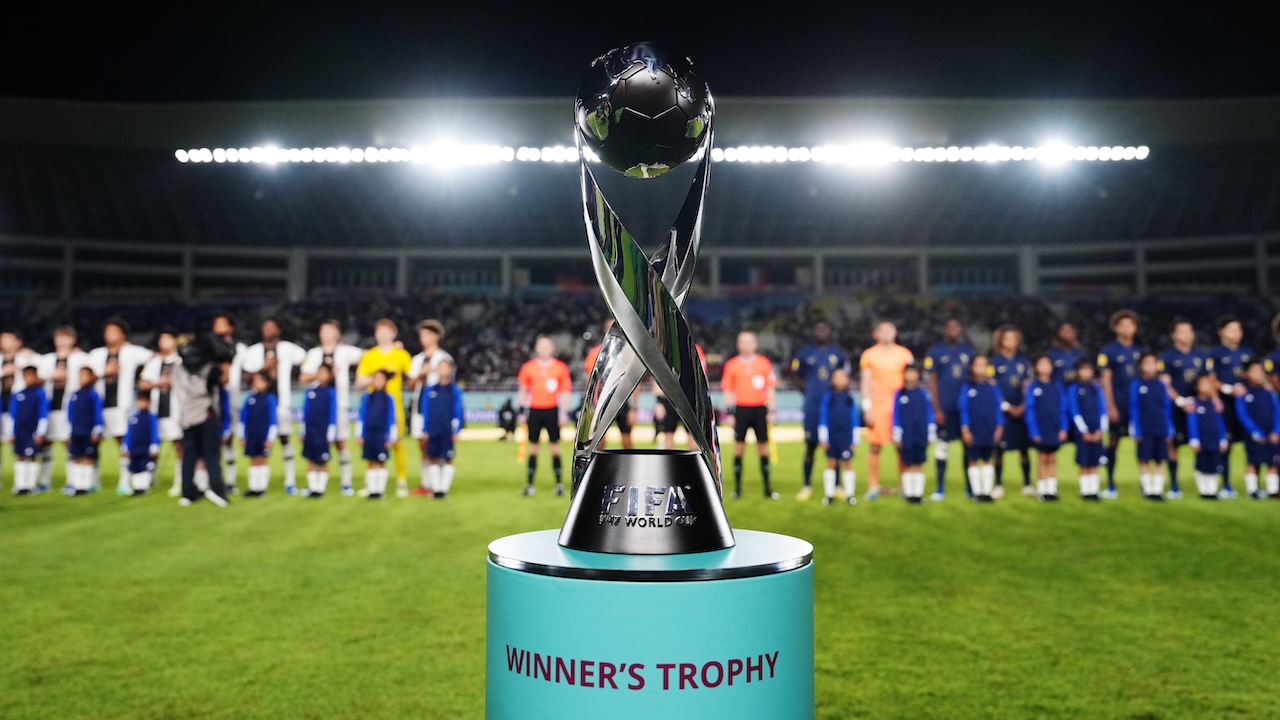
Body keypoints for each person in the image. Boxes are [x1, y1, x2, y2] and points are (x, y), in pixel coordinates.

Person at [241, 317, 307, 496]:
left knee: (285, 439)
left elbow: (304, 358)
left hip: (281, 402)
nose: (268, 330)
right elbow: (247, 375)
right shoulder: (254, 351)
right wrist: (264, 368)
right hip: (260, 403)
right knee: (260, 443)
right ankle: (259, 484)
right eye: (265, 326)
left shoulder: (287, 348)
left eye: (272, 327)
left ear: (278, 330)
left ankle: (290, 481)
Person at [87, 317, 153, 495]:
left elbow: (154, 357)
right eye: (108, 332)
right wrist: (104, 372)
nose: (110, 335)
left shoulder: (132, 351)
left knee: (124, 443)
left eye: (115, 331)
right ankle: (92, 480)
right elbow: (86, 376)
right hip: (99, 405)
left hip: (122, 406)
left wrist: (144, 379)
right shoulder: (96, 355)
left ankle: (124, 481)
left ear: (123, 334)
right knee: (93, 443)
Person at [298, 319, 364, 496]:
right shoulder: (313, 354)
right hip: (318, 405)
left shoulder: (345, 351)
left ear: (337, 333)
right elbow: (303, 377)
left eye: (330, 330)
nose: (326, 334)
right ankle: (315, 484)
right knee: (314, 443)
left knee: (340, 442)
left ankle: (346, 483)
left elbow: (367, 356)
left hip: (339, 405)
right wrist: (323, 375)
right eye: (323, 330)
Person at [172, 327, 234, 507]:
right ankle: (217, 491)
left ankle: (188, 493)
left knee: (189, 457)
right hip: (206, 415)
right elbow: (223, 377)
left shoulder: (178, 367)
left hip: (187, 416)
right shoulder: (210, 369)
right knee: (211, 456)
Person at [791, 319, 849, 501]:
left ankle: (837, 485)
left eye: (825, 329)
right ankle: (807, 485)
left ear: (830, 332)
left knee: (835, 447)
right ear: (813, 332)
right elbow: (795, 375)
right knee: (810, 447)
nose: (821, 333)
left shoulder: (838, 354)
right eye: (818, 329)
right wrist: (807, 392)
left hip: (833, 407)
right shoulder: (804, 354)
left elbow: (844, 376)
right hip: (812, 407)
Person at [355, 318, 413, 497]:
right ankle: (371, 482)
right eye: (379, 331)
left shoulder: (401, 355)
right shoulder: (369, 355)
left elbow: (412, 378)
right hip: (373, 405)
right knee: (371, 441)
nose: (383, 334)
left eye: (386, 331)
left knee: (397, 443)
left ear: (393, 334)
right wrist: (377, 378)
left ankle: (401, 481)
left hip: (394, 405)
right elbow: (359, 382)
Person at [858, 319, 914, 500]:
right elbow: (865, 382)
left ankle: (905, 486)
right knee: (875, 446)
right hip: (878, 405)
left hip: (900, 406)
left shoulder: (905, 354)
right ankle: (873, 486)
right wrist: (867, 408)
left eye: (891, 330)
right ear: (876, 334)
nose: (887, 333)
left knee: (901, 446)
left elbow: (912, 380)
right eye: (883, 330)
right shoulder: (869, 355)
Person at [721, 331, 779, 500]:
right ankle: (737, 489)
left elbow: (770, 388)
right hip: (741, 410)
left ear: (755, 344)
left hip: (760, 409)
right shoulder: (731, 365)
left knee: (763, 448)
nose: (746, 345)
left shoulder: (763, 363)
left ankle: (768, 489)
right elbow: (728, 390)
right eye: (743, 342)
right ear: (738, 345)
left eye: (749, 342)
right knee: (739, 448)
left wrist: (772, 411)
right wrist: (730, 413)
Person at [924, 318, 976, 500]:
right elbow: (932, 381)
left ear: (960, 329)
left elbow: (975, 378)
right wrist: (936, 409)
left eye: (956, 326)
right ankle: (940, 488)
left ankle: (970, 488)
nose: (953, 330)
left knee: (968, 448)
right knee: (942, 447)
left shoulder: (969, 351)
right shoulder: (936, 351)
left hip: (965, 410)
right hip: (945, 408)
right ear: (945, 330)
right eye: (949, 327)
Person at [517, 335, 572, 497]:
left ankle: (559, 484)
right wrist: (521, 411)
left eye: (547, 346)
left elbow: (566, 392)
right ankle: (529, 484)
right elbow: (523, 390)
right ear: (536, 348)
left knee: (554, 447)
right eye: (541, 346)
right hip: (534, 411)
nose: (544, 349)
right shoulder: (528, 367)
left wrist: (564, 413)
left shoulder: (560, 367)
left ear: (552, 348)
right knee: (533, 448)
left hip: (551, 411)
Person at [1097, 309, 1143, 499]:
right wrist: (1110, 405)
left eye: (1130, 325)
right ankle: (1110, 483)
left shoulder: (1141, 351)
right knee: (1114, 442)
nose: (1127, 328)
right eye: (1122, 325)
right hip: (1119, 403)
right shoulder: (1108, 351)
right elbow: (1105, 380)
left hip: (1138, 406)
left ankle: (1146, 483)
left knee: (1142, 443)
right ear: (1115, 328)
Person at [1206, 314, 1253, 499]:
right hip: (1226, 405)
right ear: (1221, 332)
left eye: (1239, 329)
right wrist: (1227, 389)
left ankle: (1253, 484)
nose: (1237, 332)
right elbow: (1210, 379)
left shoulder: (1247, 353)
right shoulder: (1215, 354)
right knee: (1226, 444)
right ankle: (1225, 483)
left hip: (1247, 404)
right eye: (1233, 329)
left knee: (1251, 442)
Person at [38, 326, 90, 494]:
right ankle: (44, 481)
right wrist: (50, 376)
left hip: (71, 409)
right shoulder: (45, 360)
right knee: (45, 445)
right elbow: (33, 376)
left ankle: (72, 481)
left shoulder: (81, 358)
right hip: (49, 408)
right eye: (59, 337)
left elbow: (91, 373)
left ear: (73, 340)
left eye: (65, 337)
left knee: (70, 444)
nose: (62, 341)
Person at [1159, 319, 1206, 500]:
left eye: (1190, 331)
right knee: (1173, 444)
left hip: (1197, 408)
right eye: (1183, 331)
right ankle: (1174, 484)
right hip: (1176, 408)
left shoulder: (1200, 356)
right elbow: (1165, 383)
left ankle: (1204, 483)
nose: (1188, 335)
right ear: (1174, 335)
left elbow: (1206, 381)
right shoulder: (1167, 357)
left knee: (1200, 444)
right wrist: (1179, 401)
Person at [139, 329, 187, 497]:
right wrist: (157, 383)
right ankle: (147, 480)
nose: (163, 342)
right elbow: (143, 384)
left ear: (175, 341)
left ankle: (181, 481)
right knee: (152, 446)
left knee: (179, 446)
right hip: (156, 410)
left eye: (167, 338)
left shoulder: (182, 361)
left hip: (177, 410)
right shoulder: (154, 362)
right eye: (161, 339)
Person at [990, 325, 1032, 497]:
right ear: (1000, 341)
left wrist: (1023, 406)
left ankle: (1027, 483)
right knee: (999, 448)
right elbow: (992, 387)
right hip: (1003, 412)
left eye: (1013, 339)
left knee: (1024, 449)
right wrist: (1006, 406)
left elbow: (1029, 386)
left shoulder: (1023, 362)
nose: (1010, 342)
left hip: (1021, 411)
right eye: (1007, 338)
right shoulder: (994, 362)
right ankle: (998, 484)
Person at [583, 319, 638, 451]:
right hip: (602, 402)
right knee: (598, 441)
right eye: (611, 327)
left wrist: (634, 408)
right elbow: (589, 381)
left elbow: (635, 382)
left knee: (627, 440)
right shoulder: (596, 353)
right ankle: (600, 469)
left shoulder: (630, 352)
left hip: (623, 401)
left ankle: (629, 468)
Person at [1130, 353, 1175, 501]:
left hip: (1160, 427)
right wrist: (1136, 429)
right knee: (1144, 459)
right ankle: (1147, 489)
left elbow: (1167, 408)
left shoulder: (1161, 384)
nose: (1150, 366)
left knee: (1159, 459)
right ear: (1141, 366)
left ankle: (1158, 490)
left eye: (1153, 363)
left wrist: (1169, 428)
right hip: (1144, 428)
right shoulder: (1136, 385)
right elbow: (1134, 407)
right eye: (1147, 363)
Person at [958, 354, 1003, 502]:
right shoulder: (967, 387)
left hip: (989, 429)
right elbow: (963, 409)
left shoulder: (993, 387)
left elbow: (998, 408)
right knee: (973, 459)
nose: (981, 368)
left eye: (984, 364)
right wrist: (965, 429)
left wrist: (999, 426)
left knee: (987, 459)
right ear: (971, 367)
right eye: (978, 364)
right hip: (973, 429)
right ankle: (977, 492)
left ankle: (986, 492)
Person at [1234, 359, 1280, 500]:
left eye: (1260, 371)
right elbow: (1242, 414)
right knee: (1253, 460)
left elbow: (1277, 411)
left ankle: (1272, 490)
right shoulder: (1242, 391)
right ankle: (1252, 490)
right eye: (1254, 371)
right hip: (1253, 434)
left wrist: (1276, 431)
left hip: (1271, 432)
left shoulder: (1269, 391)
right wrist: (1255, 432)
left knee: (1272, 461)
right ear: (1246, 373)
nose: (1258, 374)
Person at [420, 358, 465, 499]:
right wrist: (425, 429)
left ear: (450, 370)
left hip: (447, 429)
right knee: (432, 458)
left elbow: (458, 410)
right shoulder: (430, 390)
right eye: (441, 367)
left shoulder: (455, 390)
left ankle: (444, 490)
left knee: (448, 458)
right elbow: (425, 411)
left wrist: (456, 430)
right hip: (433, 429)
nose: (443, 370)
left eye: (446, 367)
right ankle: (436, 489)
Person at [212, 312, 247, 494]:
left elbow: (249, 370)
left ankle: (230, 481)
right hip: (213, 397)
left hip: (232, 397)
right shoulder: (210, 348)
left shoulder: (240, 349)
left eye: (221, 324)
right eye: (216, 324)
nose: (217, 327)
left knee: (228, 439)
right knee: (213, 441)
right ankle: (214, 479)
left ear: (230, 328)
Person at [1025, 355, 1068, 502]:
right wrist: (1034, 431)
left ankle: (1052, 489)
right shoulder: (1033, 386)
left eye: (1047, 364)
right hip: (1041, 427)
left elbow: (1063, 408)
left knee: (1052, 458)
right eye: (1041, 364)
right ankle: (1042, 490)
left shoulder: (1057, 386)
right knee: (1042, 458)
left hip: (1054, 427)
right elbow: (1030, 409)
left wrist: (1063, 428)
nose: (1044, 367)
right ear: (1036, 368)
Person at [892, 364, 936, 504]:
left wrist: (930, 431)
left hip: (920, 433)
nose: (911, 376)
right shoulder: (899, 394)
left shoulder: (923, 393)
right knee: (906, 463)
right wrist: (897, 434)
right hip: (906, 435)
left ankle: (917, 494)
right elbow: (896, 415)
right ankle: (908, 493)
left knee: (919, 463)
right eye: (908, 373)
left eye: (913, 373)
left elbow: (929, 413)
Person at [817, 367, 859, 506]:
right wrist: (823, 437)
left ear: (848, 380)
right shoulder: (828, 397)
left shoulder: (850, 399)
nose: (840, 380)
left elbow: (855, 419)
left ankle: (850, 495)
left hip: (846, 436)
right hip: (832, 435)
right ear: (833, 380)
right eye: (837, 377)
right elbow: (823, 417)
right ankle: (829, 495)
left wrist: (855, 439)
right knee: (831, 462)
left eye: (843, 377)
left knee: (847, 463)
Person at [653, 343, 707, 451]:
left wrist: (702, 401)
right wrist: (659, 402)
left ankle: (690, 467)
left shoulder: (694, 348)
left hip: (690, 400)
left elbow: (702, 375)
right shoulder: (664, 348)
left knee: (694, 441)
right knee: (668, 439)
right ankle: (670, 467)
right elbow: (657, 376)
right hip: (669, 399)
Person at [1068, 358, 1108, 501]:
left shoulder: (1096, 389)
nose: (1086, 373)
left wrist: (1100, 430)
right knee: (1084, 462)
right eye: (1083, 370)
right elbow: (1074, 410)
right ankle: (1085, 490)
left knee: (1095, 462)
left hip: (1096, 430)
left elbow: (1103, 409)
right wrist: (1083, 431)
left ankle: (1094, 490)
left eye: (1089, 369)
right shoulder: (1075, 389)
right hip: (1083, 433)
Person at [6, 364, 48, 495]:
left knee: (33, 456)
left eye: (31, 376)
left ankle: (31, 485)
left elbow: (43, 413)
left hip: (33, 431)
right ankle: (20, 485)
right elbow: (12, 414)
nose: (28, 379)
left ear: (36, 377)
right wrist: (10, 432)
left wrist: (40, 432)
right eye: (26, 376)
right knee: (20, 456)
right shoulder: (18, 394)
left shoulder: (40, 393)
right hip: (20, 431)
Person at [357, 369, 398, 500]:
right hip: (369, 434)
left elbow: (392, 418)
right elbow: (361, 416)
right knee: (370, 461)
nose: (378, 381)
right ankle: (372, 489)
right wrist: (360, 434)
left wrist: (391, 437)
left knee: (381, 461)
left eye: (381, 378)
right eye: (375, 378)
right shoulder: (366, 397)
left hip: (382, 434)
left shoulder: (388, 398)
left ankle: (380, 490)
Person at [1187, 373, 1229, 500]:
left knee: (1214, 467)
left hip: (1214, 440)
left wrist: (1223, 439)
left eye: (1209, 384)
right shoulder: (1194, 403)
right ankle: (1203, 490)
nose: (1207, 387)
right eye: (1204, 384)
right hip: (1202, 441)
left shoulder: (1215, 404)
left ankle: (1212, 490)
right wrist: (1194, 439)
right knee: (1202, 466)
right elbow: (1192, 423)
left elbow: (1219, 423)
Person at [300, 363, 338, 498]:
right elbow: (305, 411)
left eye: (324, 372)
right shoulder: (310, 391)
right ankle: (312, 488)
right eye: (319, 372)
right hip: (310, 430)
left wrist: (331, 433)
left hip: (323, 431)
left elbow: (333, 413)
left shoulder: (330, 392)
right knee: (310, 459)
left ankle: (320, 489)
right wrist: (302, 431)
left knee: (322, 460)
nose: (321, 375)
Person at [65, 366, 104, 496]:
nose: (82, 379)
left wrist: (97, 430)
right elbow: (69, 414)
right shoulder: (74, 394)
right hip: (76, 432)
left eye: (85, 375)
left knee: (88, 458)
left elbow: (98, 412)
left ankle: (86, 485)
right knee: (76, 457)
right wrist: (68, 431)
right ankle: (77, 485)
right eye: (80, 376)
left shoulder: (93, 394)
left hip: (88, 432)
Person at [239, 373, 278, 498]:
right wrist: (242, 435)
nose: (257, 384)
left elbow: (273, 419)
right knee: (253, 459)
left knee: (262, 459)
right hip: (251, 434)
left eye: (260, 381)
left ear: (267, 383)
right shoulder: (249, 398)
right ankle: (253, 487)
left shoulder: (270, 399)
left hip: (263, 434)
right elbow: (243, 418)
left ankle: (262, 487)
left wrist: (270, 438)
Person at [121, 392, 160, 495]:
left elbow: (154, 432)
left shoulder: (151, 417)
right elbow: (128, 433)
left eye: (143, 401)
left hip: (145, 447)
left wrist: (154, 445)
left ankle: (144, 486)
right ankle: (136, 487)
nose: (141, 404)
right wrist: (126, 446)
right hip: (134, 447)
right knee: (135, 467)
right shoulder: (133, 417)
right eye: (139, 401)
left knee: (144, 467)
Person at [1047, 321, 1085, 386]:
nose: (1067, 333)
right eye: (1064, 330)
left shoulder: (1081, 354)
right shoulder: (1051, 355)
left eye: (1070, 330)